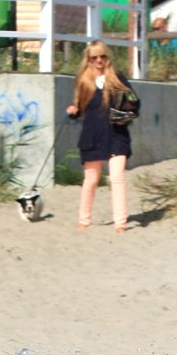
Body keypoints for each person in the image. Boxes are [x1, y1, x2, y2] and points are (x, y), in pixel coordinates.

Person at [65, 40, 140, 234]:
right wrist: (73, 111)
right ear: (88, 60)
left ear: (108, 57)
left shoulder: (117, 77)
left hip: (117, 133)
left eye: (103, 56)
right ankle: (84, 220)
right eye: (94, 57)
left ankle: (120, 223)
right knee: (91, 179)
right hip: (93, 133)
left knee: (117, 177)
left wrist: (127, 116)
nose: (99, 60)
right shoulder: (83, 80)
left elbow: (134, 101)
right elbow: (79, 108)